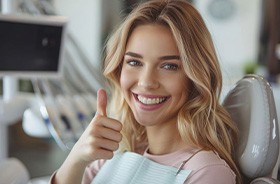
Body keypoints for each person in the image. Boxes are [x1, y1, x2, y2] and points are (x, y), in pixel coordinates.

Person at [51, 0, 241, 183]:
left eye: (169, 66)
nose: (146, 82)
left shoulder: (207, 172)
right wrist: (77, 157)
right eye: (134, 62)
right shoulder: (116, 153)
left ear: (196, 77)